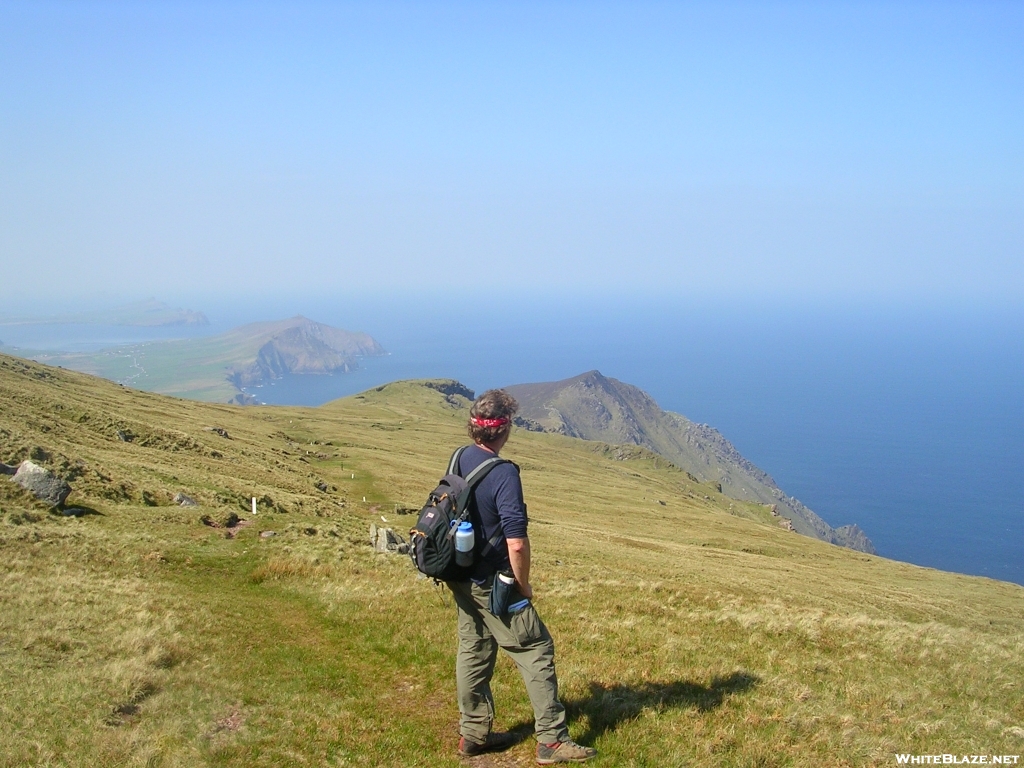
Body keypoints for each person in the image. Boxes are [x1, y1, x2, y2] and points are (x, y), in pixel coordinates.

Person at [447, 389, 597, 764]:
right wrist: (523, 584)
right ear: (505, 429)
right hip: (493, 582)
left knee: (475, 647)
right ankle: (552, 741)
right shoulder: (503, 473)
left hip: (461, 574)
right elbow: (516, 542)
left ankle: (473, 735)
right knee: (535, 647)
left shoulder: (459, 457)